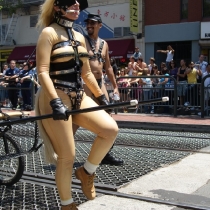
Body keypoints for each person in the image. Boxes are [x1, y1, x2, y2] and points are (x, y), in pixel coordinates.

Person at [35, 1, 118, 209]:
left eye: (78, 2)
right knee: (67, 155)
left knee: (110, 130)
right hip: (56, 95)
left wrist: (101, 97)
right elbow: (42, 71)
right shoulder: (49, 33)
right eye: (70, 1)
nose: (77, 5)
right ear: (57, 7)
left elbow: (86, 73)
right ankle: (67, 204)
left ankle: (87, 171)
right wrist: (55, 101)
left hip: (79, 95)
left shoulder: (79, 36)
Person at [76, 13, 123, 166]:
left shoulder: (104, 43)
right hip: (85, 83)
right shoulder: (82, 41)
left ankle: (105, 154)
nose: (89, 25)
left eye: (93, 23)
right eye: (88, 23)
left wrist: (115, 87)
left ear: (100, 25)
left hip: (100, 82)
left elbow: (108, 67)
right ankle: (63, 153)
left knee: (108, 117)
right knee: (76, 119)